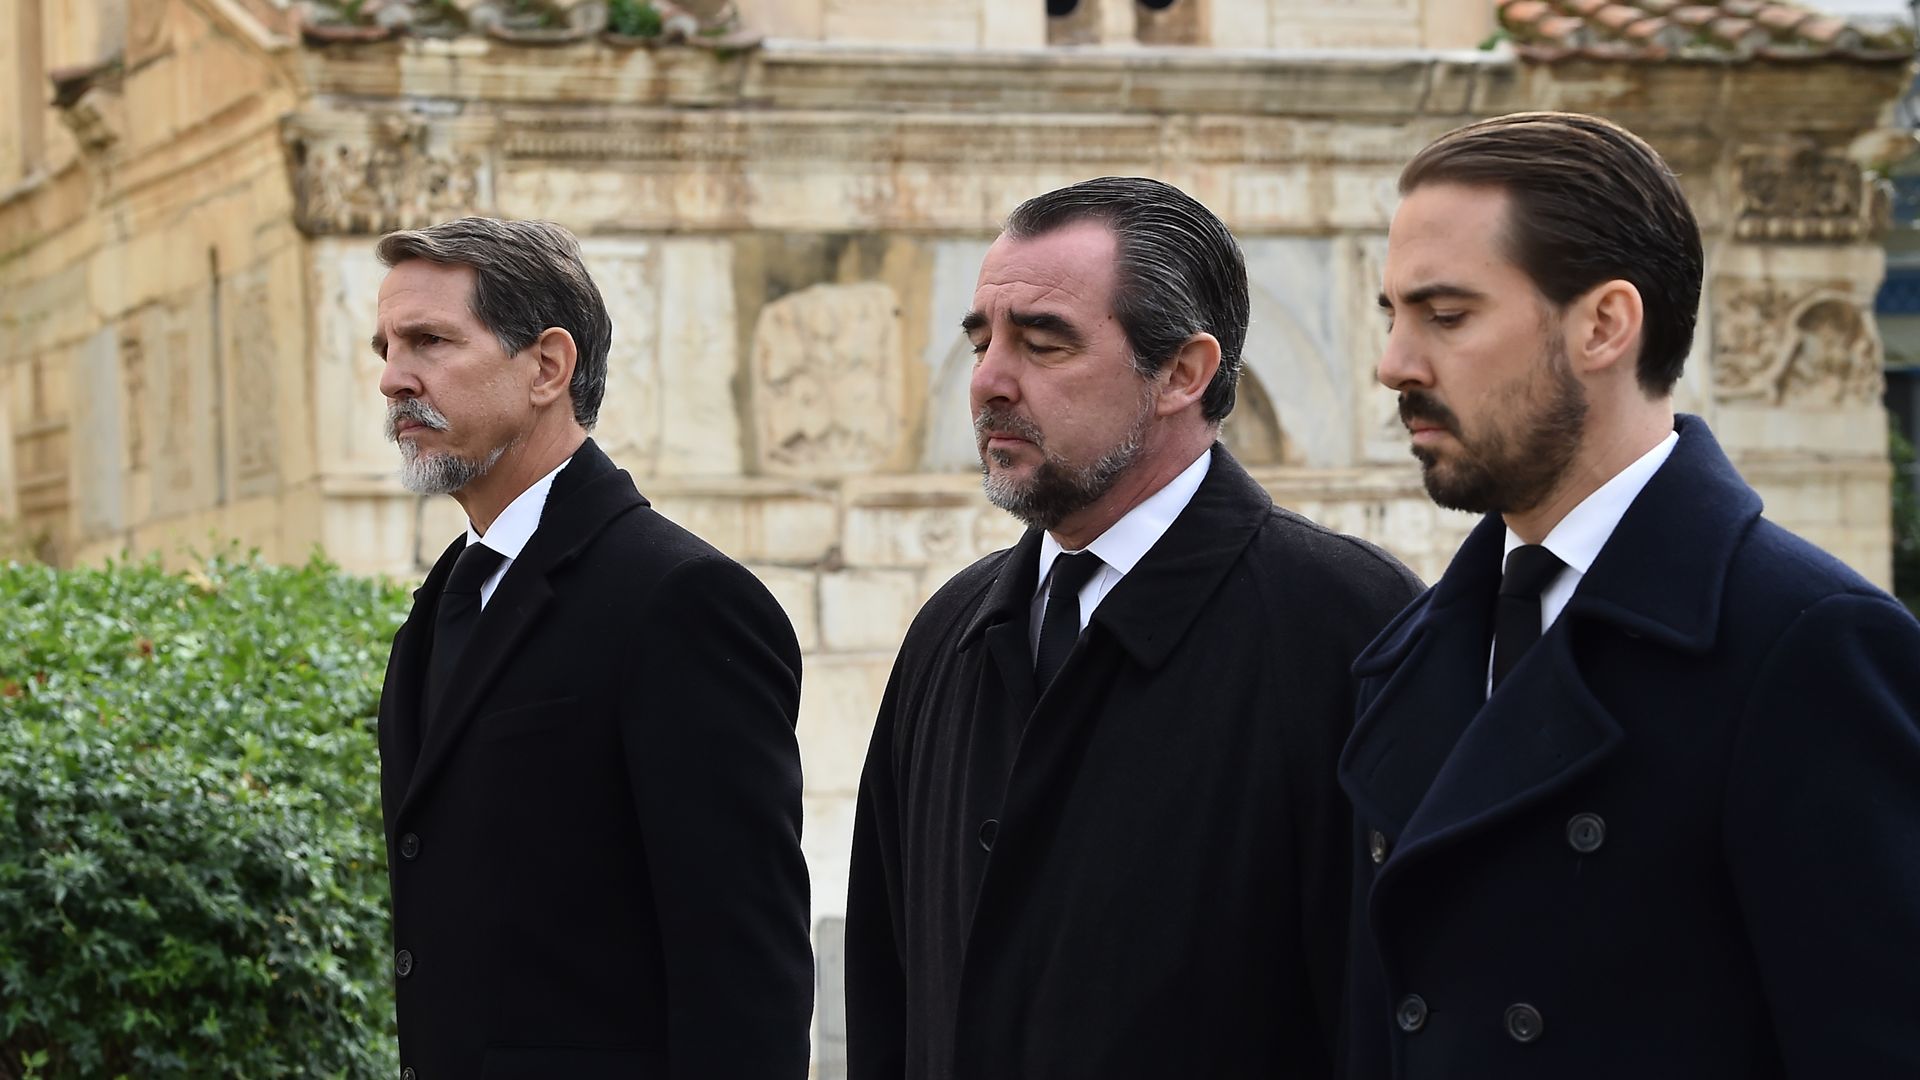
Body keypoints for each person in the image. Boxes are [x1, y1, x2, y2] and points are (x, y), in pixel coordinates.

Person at [1345, 111, 1920, 1077]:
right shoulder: (1408, 652)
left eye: (1445, 316)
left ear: (1605, 324)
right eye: (1391, 315)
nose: (1395, 363)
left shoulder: (1807, 642)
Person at [844, 176, 1424, 1080]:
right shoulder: (950, 631)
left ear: (1182, 374)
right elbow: (887, 984)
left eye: (1043, 344)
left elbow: (1393, 1010)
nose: (990, 382)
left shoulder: (1348, 625)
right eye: (982, 340)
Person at [369, 216, 812, 1079]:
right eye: (384, 345)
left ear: (547, 367)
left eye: (428, 340)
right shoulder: (442, 604)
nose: (392, 378)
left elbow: (743, 968)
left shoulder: (682, 598)